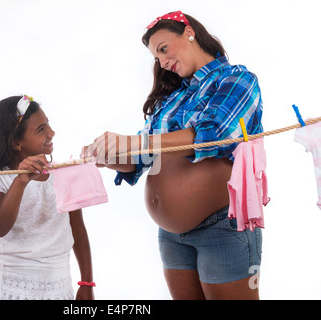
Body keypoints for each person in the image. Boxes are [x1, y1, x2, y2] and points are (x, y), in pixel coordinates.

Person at [81, 11, 263, 300]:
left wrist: (132, 142)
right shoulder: (172, 97)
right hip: (171, 236)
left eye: (163, 49)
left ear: (189, 32)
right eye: (156, 58)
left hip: (221, 227)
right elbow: (144, 157)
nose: (163, 62)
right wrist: (107, 155)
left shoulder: (236, 79)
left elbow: (215, 134)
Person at [0, 95, 94, 300]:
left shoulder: (63, 174)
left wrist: (87, 282)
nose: (52, 133)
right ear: (17, 142)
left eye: (48, 125)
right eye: (41, 129)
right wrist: (21, 180)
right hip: (11, 283)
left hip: (57, 282)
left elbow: (77, 228)